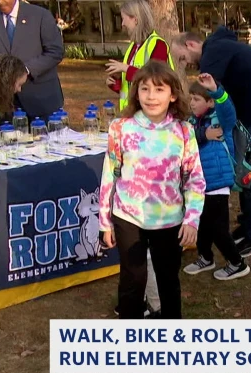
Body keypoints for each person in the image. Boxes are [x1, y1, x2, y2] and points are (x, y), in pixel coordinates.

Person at [98, 60, 205, 320]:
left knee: (168, 281)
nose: (151, 97)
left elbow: (194, 179)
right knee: (132, 281)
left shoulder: (183, 130)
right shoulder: (120, 128)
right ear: (136, 93)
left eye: (159, 90)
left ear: (173, 95)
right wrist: (105, 221)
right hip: (128, 217)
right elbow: (109, 174)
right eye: (144, 89)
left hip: (169, 219)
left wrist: (192, 219)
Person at [171, 28, 251, 259]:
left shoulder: (213, 53)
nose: (185, 64)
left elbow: (207, 94)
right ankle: (248, 224)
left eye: (182, 57)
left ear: (192, 45)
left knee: (250, 174)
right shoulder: (220, 48)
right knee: (241, 171)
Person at [182, 73, 250, 281]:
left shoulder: (221, 119)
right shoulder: (192, 122)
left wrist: (216, 90)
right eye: (191, 98)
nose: (191, 103)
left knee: (219, 229)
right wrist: (203, 135)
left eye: (197, 99)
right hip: (199, 185)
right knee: (201, 223)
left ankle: (237, 263)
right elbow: (187, 136)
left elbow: (228, 109)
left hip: (218, 183)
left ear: (210, 102)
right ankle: (205, 257)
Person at [0, 0, 64, 121]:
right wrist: (2, 74)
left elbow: (55, 51)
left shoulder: (41, 15)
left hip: (42, 100)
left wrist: (23, 70)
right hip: (5, 106)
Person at [105, 0, 175, 111]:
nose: (123, 24)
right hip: (134, 114)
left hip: (153, 113)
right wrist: (116, 83)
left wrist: (125, 68)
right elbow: (132, 85)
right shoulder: (134, 45)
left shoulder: (158, 45)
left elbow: (156, 79)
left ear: (136, 20)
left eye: (124, 19)